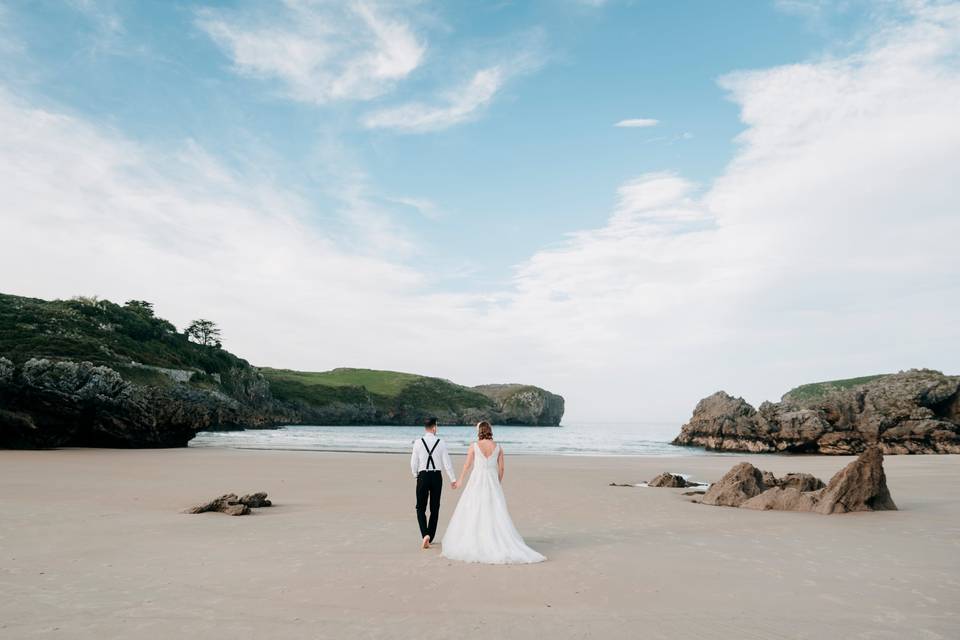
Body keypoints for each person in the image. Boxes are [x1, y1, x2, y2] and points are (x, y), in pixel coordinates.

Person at [441, 421, 545, 564]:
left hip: (477, 480)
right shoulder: (498, 447)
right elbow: (502, 469)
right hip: (492, 481)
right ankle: (494, 538)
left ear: (479, 431)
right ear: (489, 430)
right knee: (494, 510)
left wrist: (459, 481)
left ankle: (476, 539)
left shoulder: (474, 446)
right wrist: (497, 482)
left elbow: (467, 465)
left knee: (474, 508)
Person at [410, 417, 457, 549]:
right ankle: (430, 535)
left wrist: (416, 475)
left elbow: (413, 462)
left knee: (420, 507)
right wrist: (453, 479)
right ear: (434, 427)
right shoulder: (441, 442)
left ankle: (425, 534)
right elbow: (447, 463)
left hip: (423, 475)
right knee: (434, 508)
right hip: (437, 476)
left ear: (425, 427)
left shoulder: (418, 442)